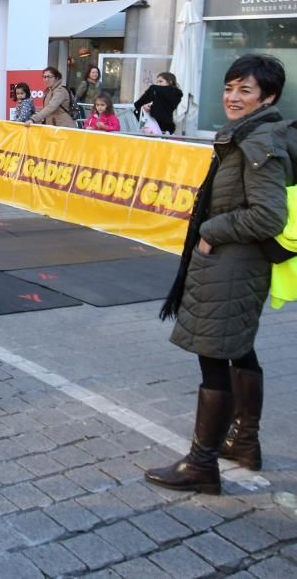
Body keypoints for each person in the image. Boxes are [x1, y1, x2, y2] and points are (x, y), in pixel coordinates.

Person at [147, 54, 294, 495]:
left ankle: (202, 464)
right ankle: (244, 443)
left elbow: (267, 215)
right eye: (229, 88)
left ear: (268, 97)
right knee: (239, 350)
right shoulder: (251, 135)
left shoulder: (257, 144)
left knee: (214, 357)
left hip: (232, 264)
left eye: (245, 90)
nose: (232, 97)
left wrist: (211, 230)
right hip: (234, 264)